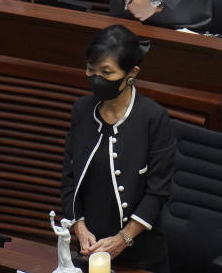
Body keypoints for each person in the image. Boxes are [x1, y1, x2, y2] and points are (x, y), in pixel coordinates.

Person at [61, 25, 175, 273]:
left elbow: (158, 191)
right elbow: (69, 179)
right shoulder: (81, 110)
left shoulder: (152, 118)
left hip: (140, 256)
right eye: (91, 70)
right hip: (88, 249)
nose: (96, 78)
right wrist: (78, 226)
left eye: (107, 72)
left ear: (131, 73)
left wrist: (123, 239)